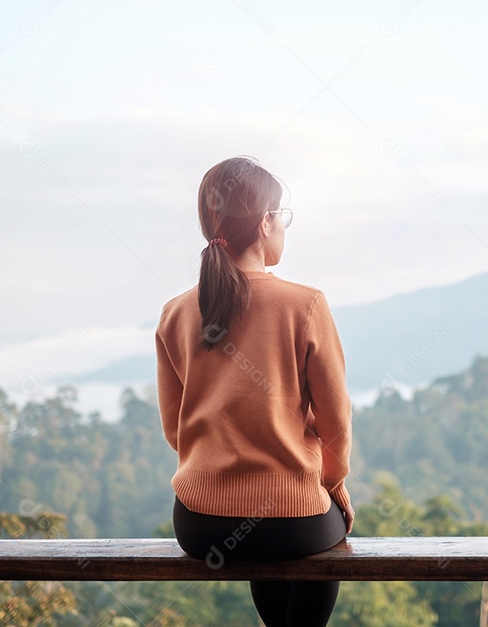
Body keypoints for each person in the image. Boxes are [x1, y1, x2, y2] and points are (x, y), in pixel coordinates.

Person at [155, 156, 354, 627]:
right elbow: (335, 423)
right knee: (323, 536)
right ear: (265, 222)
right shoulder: (304, 305)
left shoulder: (175, 312)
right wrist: (333, 486)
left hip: (200, 523)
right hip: (293, 520)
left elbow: (174, 428)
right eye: (281, 215)